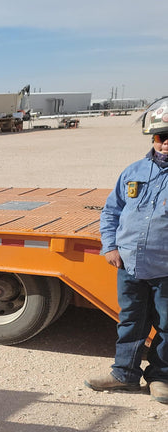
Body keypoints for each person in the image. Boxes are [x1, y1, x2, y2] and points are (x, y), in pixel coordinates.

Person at [85, 97, 168, 403]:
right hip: (130, 265)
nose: (166, 143)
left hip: (165, 269)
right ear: (153, 138)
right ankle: (124, 374)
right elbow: (111, 211)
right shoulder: (133, 171)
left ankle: (160, 378)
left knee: (167, 326)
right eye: (161, 137)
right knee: (130, 321)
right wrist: (110, 246)